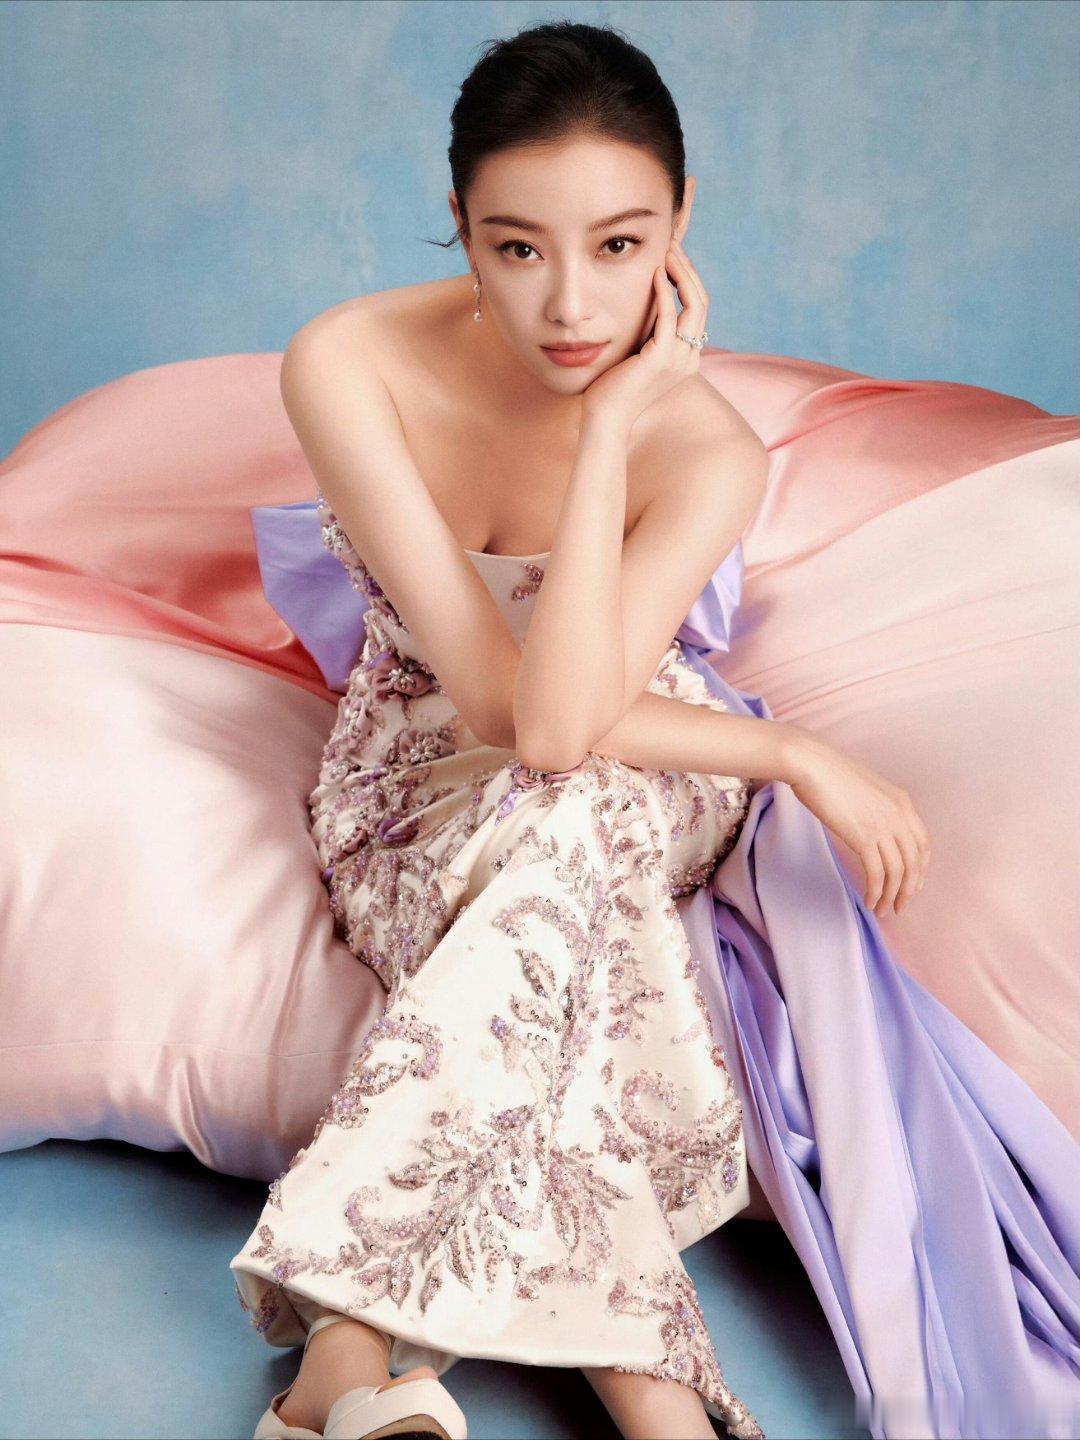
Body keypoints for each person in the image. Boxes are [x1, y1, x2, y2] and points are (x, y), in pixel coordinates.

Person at [229, 20, 1078, 1440]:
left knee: (574, 820)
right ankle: (613, 1399)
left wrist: (623, 432)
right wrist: (790, 748)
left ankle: (347, 1354)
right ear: (459, 223)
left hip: (653, 753)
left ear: (681, 227)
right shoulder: (347, 361)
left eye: (619, 246)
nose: (571, 304)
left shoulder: (711, 451)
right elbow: (507, 713)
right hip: (413, 772)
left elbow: (570, 728)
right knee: (577, 931)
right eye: (516, 248)